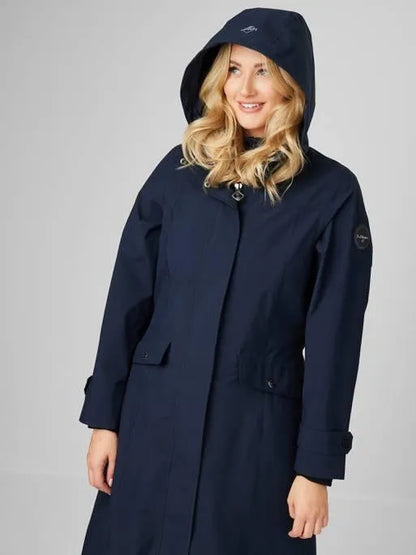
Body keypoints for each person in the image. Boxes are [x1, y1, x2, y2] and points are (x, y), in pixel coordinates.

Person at [79, 7, 373, 555]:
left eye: (264, 71)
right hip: (153, 425)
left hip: (252, 442)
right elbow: (128, 298)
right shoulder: (177, 173)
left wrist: (315, 468)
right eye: (234, 69)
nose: (245, 88)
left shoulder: (332, 193)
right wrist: (104, 419)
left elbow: (334, 339)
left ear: (293, 83)